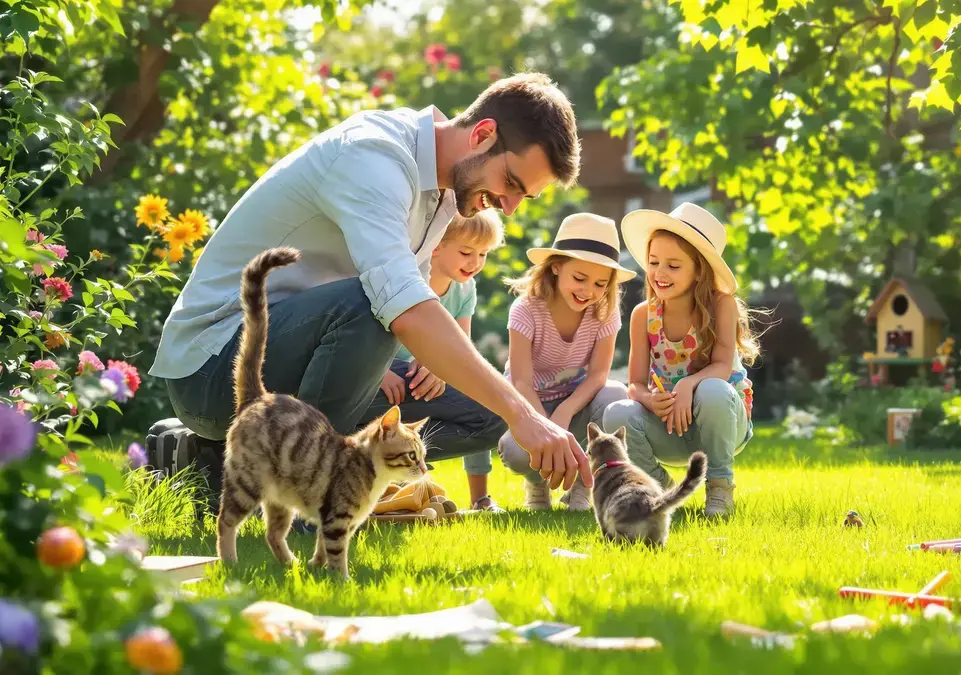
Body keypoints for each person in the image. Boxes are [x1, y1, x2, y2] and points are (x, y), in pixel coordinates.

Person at [148, 72, 592, 492]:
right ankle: (311, 495)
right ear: (482, 135)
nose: (509, 207)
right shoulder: (374, 156)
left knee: (487, 413)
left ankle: (210, 461)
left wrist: (513, 411)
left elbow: (415, 314)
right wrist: (523, 413)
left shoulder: (443, 190)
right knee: (373, 307)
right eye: (511, 182)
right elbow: (402, 308)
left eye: (524, 196)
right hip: (212, 369)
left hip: (294, 366)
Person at [602, 203, 761, 517]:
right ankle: (660, 490)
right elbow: (635, 384)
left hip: (722, 421)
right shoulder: (643, 315)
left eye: (673, 266)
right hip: (672, 426)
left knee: (711, 389)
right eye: (654, 262)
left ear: (699, 270)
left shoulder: (722, 305)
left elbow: (722, 366)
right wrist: (650, 400)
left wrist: (688, 384)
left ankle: (720, 487)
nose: (660, 273)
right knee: (615, 413)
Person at [357, 210, 507, 512]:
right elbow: (359, 334)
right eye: (466, 252)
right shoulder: (406, 276)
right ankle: (373, 465)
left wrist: (440, 368)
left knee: (490, 403)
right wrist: (380, 371)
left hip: (420, 386)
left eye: (483, 254)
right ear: (436, 245)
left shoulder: (465, 289)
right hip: (377, 377)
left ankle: (411, 466)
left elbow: (461, 351)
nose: (475, 263)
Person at [496, 213, 635, 510]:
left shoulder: (605, 312)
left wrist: (565, 411)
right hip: (530, 404)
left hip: (576, 403)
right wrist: (545, 426)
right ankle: (536, 484)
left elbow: (598, 375)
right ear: (556, 267)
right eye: (579, 279)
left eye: (600, 283)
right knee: (515, 452)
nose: (588, 291)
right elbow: (521, 382)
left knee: (617, 396)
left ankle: (584, 486)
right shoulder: (526, 310)